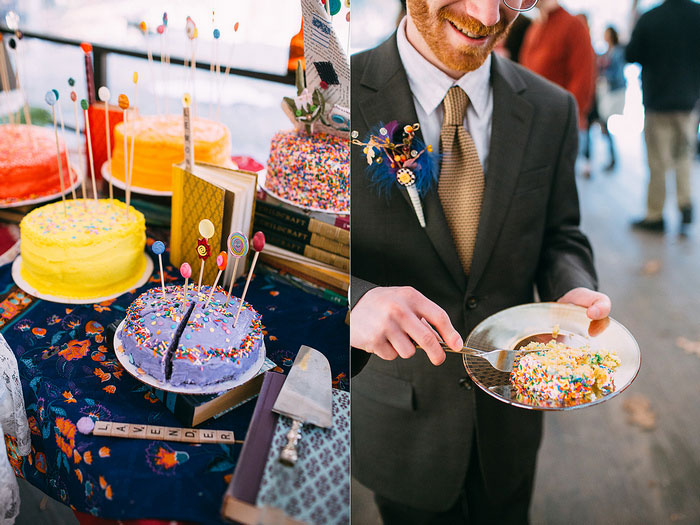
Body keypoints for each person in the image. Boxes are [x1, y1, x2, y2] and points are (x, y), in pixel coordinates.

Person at [350, 0, 611, 523]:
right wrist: (354, 303)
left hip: (510, 429)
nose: (487, 15)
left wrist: (573, 286)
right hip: (402, 430)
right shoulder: (341, 94)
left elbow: (562, 235)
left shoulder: (550, 108)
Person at [626, 0, 700, 234]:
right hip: (688, 101)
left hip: (657, 101)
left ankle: (655, 214)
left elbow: (631, 54)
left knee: (658, 162)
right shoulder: (697, 15)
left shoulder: (650, 18)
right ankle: (685, 203)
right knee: (684, 155)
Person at [519, 0, 596, 132]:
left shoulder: (573, 26)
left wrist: (564, 122)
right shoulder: (535, 28)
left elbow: (583, 82)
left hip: (559, 128)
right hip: (533, 124)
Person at [596, 26, 626, 172]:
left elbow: (617, 73)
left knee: (606, 124)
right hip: (607, 92)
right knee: (604, 125)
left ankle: (613, 158)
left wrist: (604, 76)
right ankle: (611, 157)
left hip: (614, 93)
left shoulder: (617, 52)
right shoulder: (607, 52)